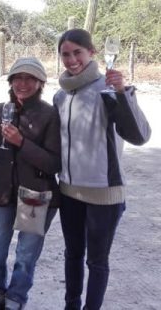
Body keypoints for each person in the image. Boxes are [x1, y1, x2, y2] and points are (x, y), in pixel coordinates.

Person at [54, 29, 151, 310]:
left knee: (96, 261)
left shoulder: (108, 90)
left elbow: (139, 136)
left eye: (77, 53)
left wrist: (122, 94)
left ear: (92, 53)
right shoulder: (60, 97)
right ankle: (71, 305)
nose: (71, 60)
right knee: (72, 254)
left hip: (104, 194)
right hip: (69, 192)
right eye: (65, 54)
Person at [0, 57, 61, 310]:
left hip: (36, 194)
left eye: (30, 78)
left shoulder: (50, 115)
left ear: (40, 83)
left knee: (25, 255)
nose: (23, 84)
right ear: (10, 82)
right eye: (18, 78)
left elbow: (54, 163)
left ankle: (15, 299)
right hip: (1, 193)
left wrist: (22, 142)